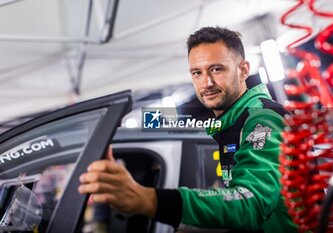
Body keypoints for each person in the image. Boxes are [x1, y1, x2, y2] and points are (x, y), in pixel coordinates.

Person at [78, 26, 298, 233]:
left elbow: (253, 203)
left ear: (243, 70)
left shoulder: (263, 120)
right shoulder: (230, 122)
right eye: (197, 73)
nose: (207, 82)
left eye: (216, 69)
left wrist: (147, 199)